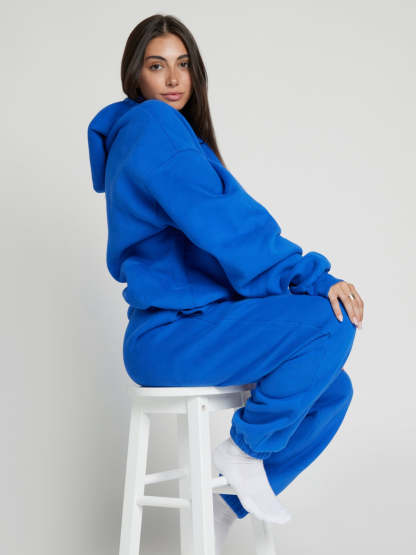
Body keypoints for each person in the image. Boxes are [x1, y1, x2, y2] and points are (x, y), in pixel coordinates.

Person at [87, 13, 364, 554]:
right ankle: (242, 451)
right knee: (331, 321)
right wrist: (313, 279)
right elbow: (230, 229)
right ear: (134, 76)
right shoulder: (154, 128)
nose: (173, 79)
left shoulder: (161, 137)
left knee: (332, 391)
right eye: (156, 66)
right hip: (171, 335)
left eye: (183, 64)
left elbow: (217, 245)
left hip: (183, 331)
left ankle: (224, 506)